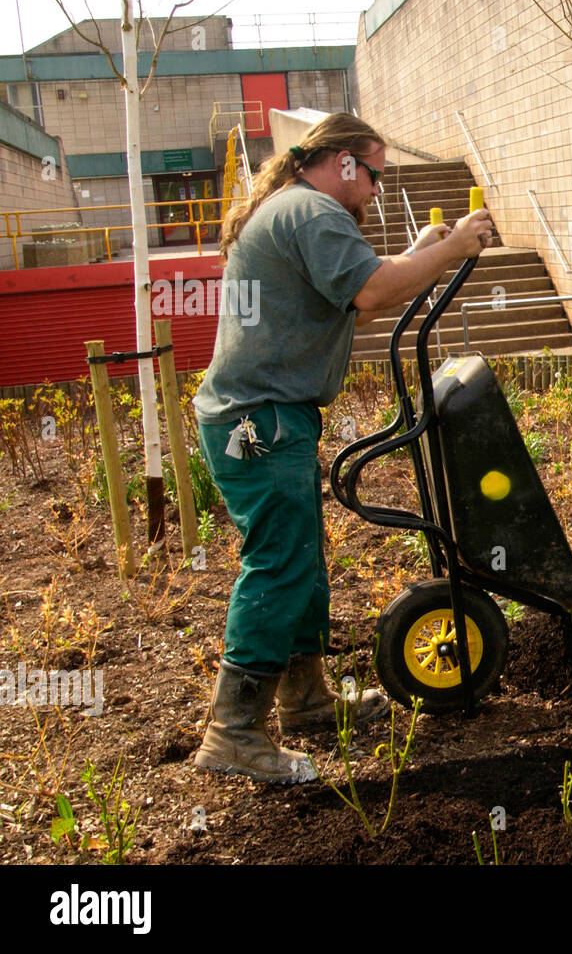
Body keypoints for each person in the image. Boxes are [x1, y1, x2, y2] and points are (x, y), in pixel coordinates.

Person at [191, 113, 494, 783]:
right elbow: (372, 291)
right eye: (377, 174)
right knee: (278, 565)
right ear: (342, 163)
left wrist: (422, 249)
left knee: (298, 559)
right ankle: (233, 733)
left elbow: (365, 295)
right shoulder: (312, 211)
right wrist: (451, 249)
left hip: (263, 418)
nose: (379, 189)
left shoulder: (296, 210)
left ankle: (304, 703)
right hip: (261, 421)